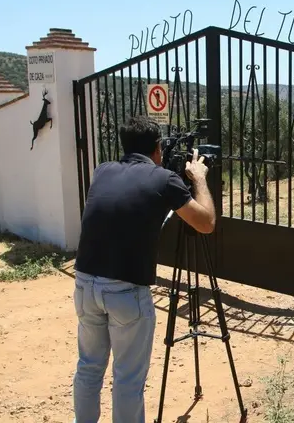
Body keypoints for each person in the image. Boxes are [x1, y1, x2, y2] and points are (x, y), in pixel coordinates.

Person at [71, 115, 216, 423]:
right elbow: (206, 223)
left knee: (89, 367)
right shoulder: (163, 179)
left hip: (84, 283)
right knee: (127, 379)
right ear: (157, 149)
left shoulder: (102, 171)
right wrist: (198, 178)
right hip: (125, 291)